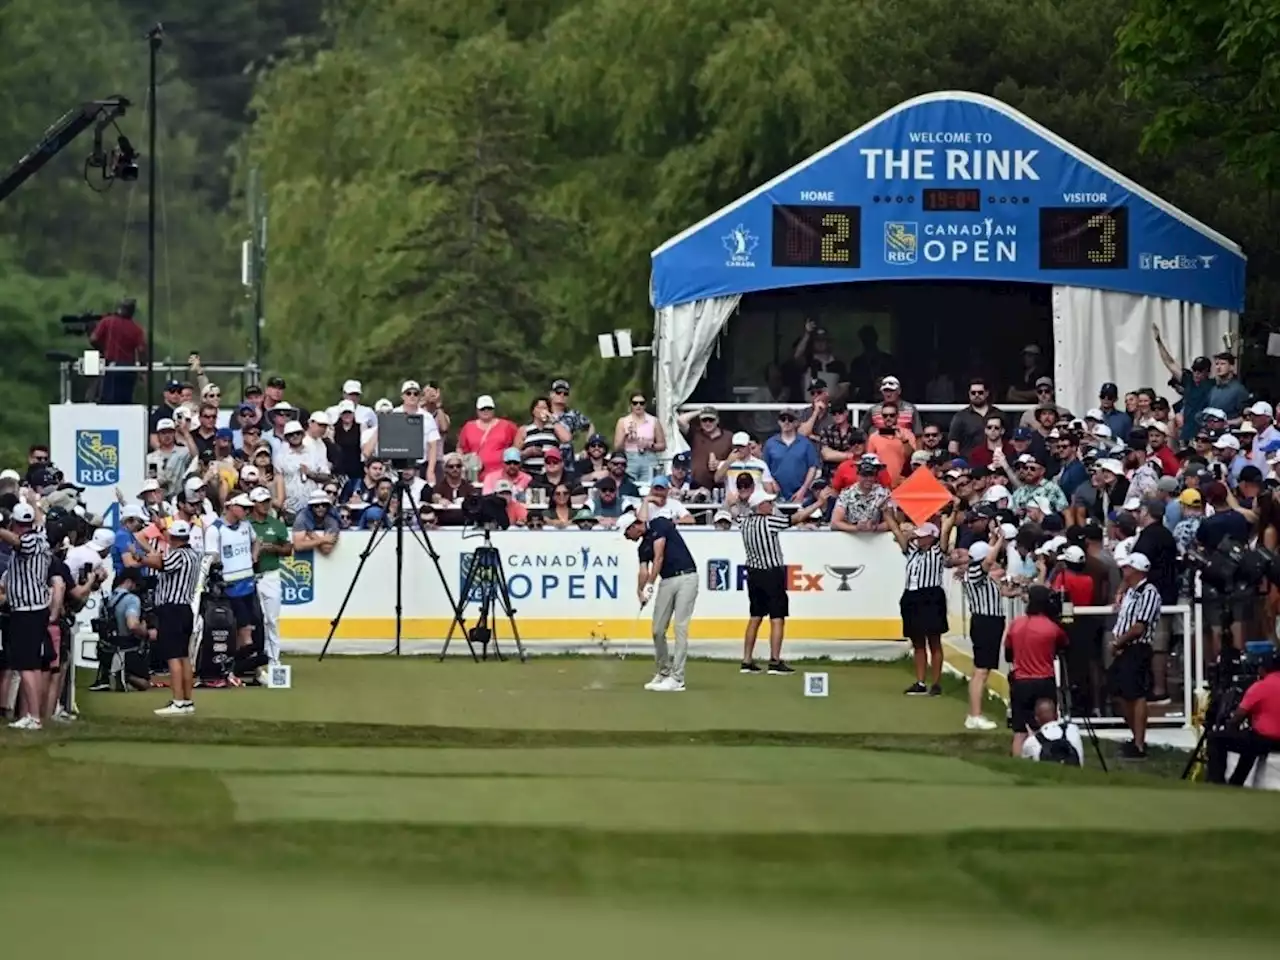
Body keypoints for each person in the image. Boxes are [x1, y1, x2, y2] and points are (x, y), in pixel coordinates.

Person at [737, 488, 832, 675]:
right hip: (771, 573)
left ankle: (747, 660)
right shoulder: (769, 522)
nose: (772, 505)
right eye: (768, 503)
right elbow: (796, 518)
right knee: (777, 617)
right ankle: (774, 660)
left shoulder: (744, 522)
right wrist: (819, 503)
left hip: (754, 573)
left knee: (755, 616)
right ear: (760, 505)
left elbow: (740, 513)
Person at [621, 510, 698, 693]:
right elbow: (643, 570)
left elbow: (659, 556)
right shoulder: (642, 547)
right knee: (657, 630)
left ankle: (677, 678)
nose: (626, 537)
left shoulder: (659, 524)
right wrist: (640, 591)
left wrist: (649, 584)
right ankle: (663, 672)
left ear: (634, 526)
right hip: (667, 581)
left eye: (626, 532)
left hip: (687, 577)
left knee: (680, 627)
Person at [886, 508, 956, 696]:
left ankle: (937, 683)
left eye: (923, 536)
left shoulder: (937, 552)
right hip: (911, 596)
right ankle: (920, 681)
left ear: (932, 537)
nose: (919, 539)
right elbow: (895, 530)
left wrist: (952, 512)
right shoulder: (912, 551)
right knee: (917, 641)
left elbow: (946, 530)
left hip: (931, 595)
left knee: (934, 640)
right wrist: (886, 511)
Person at [142, 520, 202, 716]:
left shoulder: (178, 555)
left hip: (172, 609)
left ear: (173, 537)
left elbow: (161, 564)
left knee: (173, 657)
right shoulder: (194, 554)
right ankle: (186, 701)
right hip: (184, 609)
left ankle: (178, 701)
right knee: (184, 657)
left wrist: (139, 557)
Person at [0, 500, 51, 729]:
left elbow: (18, 541)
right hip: (33, 608)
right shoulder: (40, 533)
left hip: (27, 609)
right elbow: (39, 520)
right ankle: (33, 714)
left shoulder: (29, 540)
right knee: (33, 666)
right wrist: (33, 500)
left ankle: (34, 717)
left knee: (26, 665)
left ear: (15, 523)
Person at [1108, 552, 1163, 759]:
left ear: (1138, 570)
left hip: (1136, 648)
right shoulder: (1131, 592)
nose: (1124, 571)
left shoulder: (1149, 593)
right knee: (1119, 692)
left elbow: (1139, 627)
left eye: (1128, 568)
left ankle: (1139, 744)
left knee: (1135, 694)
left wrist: (1118, 642)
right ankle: (1135, 737)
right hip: (1124, 648)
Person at [1004, 585, 1069, 757]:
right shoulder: (1051, 628)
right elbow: (1064, 646)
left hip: (1020, 681)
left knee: (1019, 730)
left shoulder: (1015, 624)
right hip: (1044, 680)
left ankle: (1018, 764)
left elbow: (1008, 654)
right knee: (1048, 728)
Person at [1207, 651, 1280, 786]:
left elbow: (1238, 716)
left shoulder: (1261, 686)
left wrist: (1229, 727)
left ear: (1262, 669)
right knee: (1250, 740)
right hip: (1273, 740)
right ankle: (1236, 781)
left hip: (1264, 739)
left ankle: (1217, 781)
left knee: (1216, 739)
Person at [204, 493, 260, 661]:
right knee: (241, 627)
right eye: (244, 508)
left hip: (248, 584)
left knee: (248, 625)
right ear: (231, 506)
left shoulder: (246, 526)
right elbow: (212, 557)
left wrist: (253, 556)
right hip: (230, 587)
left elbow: (256, 541)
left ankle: (241, 664)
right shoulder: (215, 529)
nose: (247, 511)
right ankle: (251, 664)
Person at [963, 536, 1006, 730]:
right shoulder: (974, 571)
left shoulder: (980, 573)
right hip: (985, 622)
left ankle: (974, 714)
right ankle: (975, 715)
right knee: (981, 671)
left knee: (982, 670)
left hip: (990, 622)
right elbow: (989, 561)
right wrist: (999, 541)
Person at [249, 486, 293, 665]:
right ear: (253, 504)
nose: (266, 505)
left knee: (272, 620)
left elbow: (288, 549)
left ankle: (274, 660)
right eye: (261, 502)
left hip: (271, 575)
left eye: (267, 501)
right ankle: (253, 661)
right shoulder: (245, 524)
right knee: (253, 622)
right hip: (250, 577)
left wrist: (273, 548)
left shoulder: (276, 524)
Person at [1020, 697, 1085, 766]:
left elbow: (1024, 766)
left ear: (1036, 719)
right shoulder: (1073, 729)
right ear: (1057, 715)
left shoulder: (1031, 742)